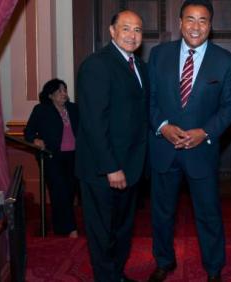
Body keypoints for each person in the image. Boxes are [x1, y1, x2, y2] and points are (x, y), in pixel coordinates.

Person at [147, 1, 231, 281]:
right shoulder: (158, 55)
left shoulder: (225, 60)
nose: (196, 26)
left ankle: (213, 268)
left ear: (210, 25)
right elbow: (148, 100)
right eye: (190, 19)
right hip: (164, 149)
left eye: (203, 21)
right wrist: (162, 126)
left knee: (209, 215)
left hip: (202, 152)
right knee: (162, 213)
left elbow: (230, 107)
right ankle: (164, 261)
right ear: (179, 22)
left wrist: (205, 132)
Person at [75, 10, 148, 282]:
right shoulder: (98, 65)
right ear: (112, 31)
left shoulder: (139, 66)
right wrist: (111, 167)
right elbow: (93, 123)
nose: (132, 35)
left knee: (122, 229)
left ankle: (117, 274)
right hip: (103, 170)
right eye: (126, 28)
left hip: (130, 168)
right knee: (102, 232)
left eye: (138, 30)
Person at [24, 78, 79, 238]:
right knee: (59, 191)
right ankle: (71, 229)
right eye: (60, 91)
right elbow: (28, 131)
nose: (64, 94)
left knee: (69, 193)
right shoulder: (41, 110)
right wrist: (35, 140)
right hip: (51, 157)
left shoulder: (74, 109)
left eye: (65, 90)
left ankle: (60, 227)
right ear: (50, 95)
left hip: (73, 156)